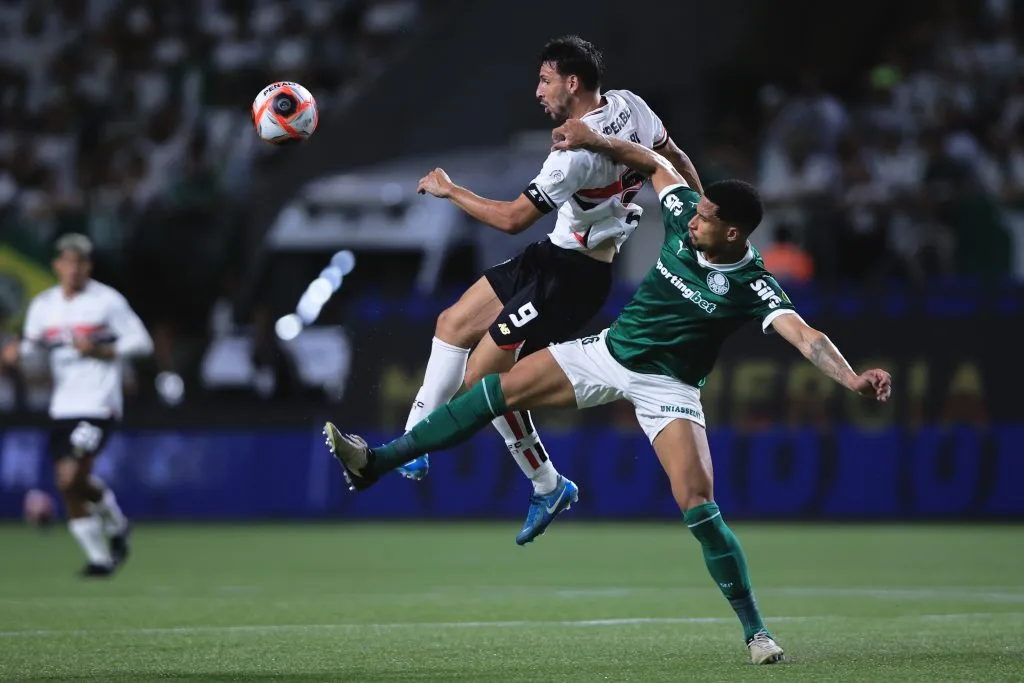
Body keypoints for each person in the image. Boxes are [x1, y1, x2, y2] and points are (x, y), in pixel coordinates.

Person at [323, 119, 892, 665]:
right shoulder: (684, 211)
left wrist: (853, 378)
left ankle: (757, 632)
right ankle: (376, 462)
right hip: (607, 353)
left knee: (698, 507)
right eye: (699, 210)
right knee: (490, 389)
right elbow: (652, 160)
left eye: (710, 217)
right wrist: (592, 138)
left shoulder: (751, 284)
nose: (696, 217)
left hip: (668, 388)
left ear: (734, 233)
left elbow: (806, 336)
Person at [403, 35, 701, 546]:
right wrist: (698, 210)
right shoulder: (632, 106)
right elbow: (673, 159)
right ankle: (417, 438)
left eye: (544, 80)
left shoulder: (571, 157)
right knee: (451, 324)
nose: (537, 91)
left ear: (572, 82)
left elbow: (513, 219)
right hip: (553, 255)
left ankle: (547, 484)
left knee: (484, 380)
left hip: (571, 279)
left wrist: (450, 190)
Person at [1, 234, 154, 577]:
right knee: (68, 482)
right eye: (68, 261)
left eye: (81, 262)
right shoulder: (44, 306)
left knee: (70, 477)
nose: (74, 268)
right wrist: (15, 355)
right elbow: (32, 348)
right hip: (63, 407)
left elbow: (142, 343)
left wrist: (101, 350)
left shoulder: (106, 301)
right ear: (57, 265)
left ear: (89, 266)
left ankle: (114, 525)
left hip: (99, 404)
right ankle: (102, 552)